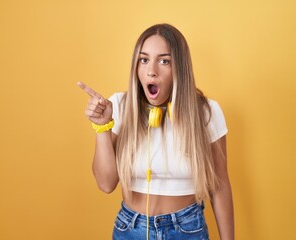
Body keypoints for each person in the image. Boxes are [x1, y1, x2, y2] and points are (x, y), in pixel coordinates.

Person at [77, 23, 234, 240]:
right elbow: (106, 184)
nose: (152, 70)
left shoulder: (206, 112)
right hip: (130, 228)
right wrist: (102, 127)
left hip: (187, 229)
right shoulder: (119, 107)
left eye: (164, 61)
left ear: (179, 67)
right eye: (144, 60)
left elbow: (220, 185)